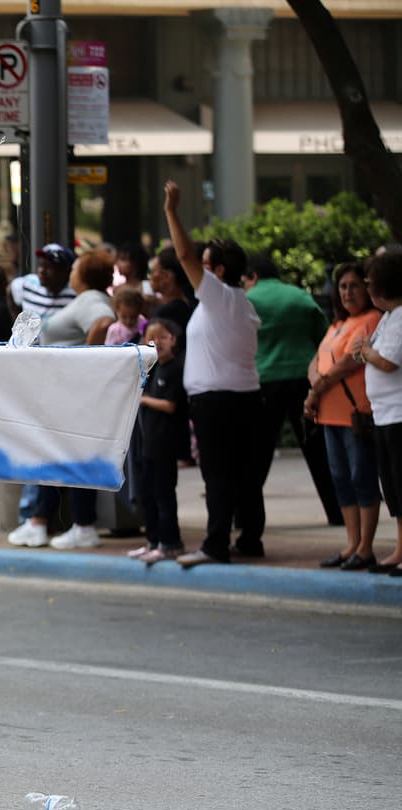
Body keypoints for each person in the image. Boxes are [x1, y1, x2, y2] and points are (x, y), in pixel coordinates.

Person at [163, 180, 265, 568]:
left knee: (219, 476)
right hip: (241, 396)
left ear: (218, 272)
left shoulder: (220, 297)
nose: (196, 274)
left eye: (204, 268)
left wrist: (172, 211)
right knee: (241, 474)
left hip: (218, 400)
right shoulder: (239, 302)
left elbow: (185, 253)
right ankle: (250, 538)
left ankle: (216, 545)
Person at [9, 251, 115, 550]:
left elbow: (104, 322)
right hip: (63, 391)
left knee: (71, 456)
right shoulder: (86, 298)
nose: (72, 272)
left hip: (74, 391)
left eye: (76, 267)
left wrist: (86, 359)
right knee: (58, 455)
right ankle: (44, 521)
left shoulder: (91, 298)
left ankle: (81, 525)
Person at [244, 254, 342, 527]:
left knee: (258, 452)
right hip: (302, 377)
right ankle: (337, 512)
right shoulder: (299, 296)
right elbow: (323, 336)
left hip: (265, 378)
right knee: (317, 449)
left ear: (251, 276)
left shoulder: (248, 300)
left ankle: (245, 516)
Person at [306, 261, 382, 571]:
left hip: (355, 415)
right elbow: (316, 361)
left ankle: (366, 547)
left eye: (354, 285)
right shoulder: (335, 325)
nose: (348, 292)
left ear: (367, 288)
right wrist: (314, 386)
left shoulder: (371, 320)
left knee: (361, 478)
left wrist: (316, 388)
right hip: (328, 416)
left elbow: (348, 363)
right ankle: (351, 543)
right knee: (340, 480)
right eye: (343, 287)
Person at [351, 250, 402, 576]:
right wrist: (365, 351)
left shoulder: (400, 316)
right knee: (394, 489)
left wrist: (366, 351)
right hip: (384, 414)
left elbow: (387, 360)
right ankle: (400, 547)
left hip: (398, 413)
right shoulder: (388, 317)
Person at [129, 319, 189, 564]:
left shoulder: (175, 368)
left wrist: (142, 399)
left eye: (163, 337)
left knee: (164, 495)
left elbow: (170, 404)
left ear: (173, 340)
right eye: (152, 339)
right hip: (148, 445)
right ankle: (153, 540)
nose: (158, 343)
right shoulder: (151, 369)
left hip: (164, 445)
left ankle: (170, 543)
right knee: (147, 494)